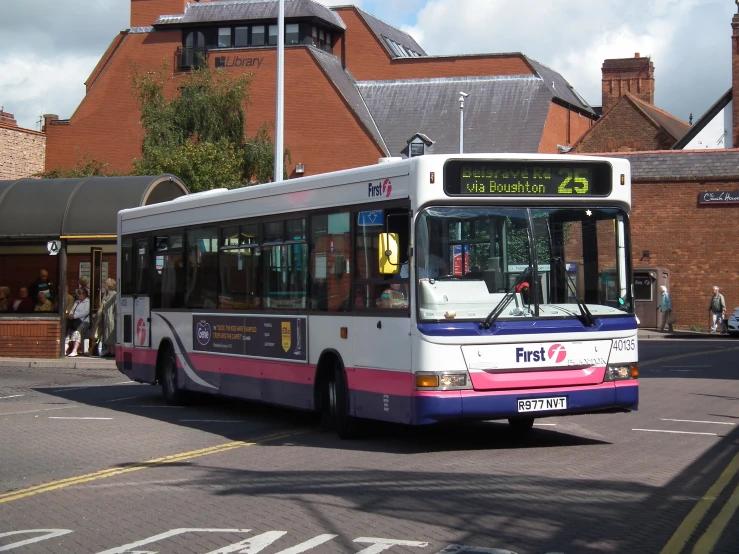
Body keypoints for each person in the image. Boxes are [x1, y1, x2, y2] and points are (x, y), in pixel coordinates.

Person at [87, 278, 117, 357]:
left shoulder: (114, 295)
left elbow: (116, 307)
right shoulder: (106, 294)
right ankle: (108, 351)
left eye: (106, 284)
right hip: (104, 317)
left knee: (111, 334)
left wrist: (114, 316)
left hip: (110, 317)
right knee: (105, 334)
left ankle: (112, 352)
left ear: (109, 286)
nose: (104, 286)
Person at [65, 288, 90, 357]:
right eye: (78, 294)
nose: (78, 296)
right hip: (75, 320)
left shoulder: (88, 302)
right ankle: (64, 350)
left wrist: (74, 316)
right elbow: (73, 309)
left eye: (80, 294)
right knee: (69, 333)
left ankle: (74, 350)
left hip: (83, 321)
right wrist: (70, 314)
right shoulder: (77, 302)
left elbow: (85, 312)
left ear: (84, 295)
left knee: (77, 332)